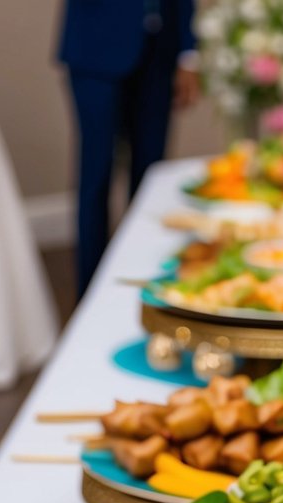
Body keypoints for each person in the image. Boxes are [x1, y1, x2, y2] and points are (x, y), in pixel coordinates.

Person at [58, 0, 200, 298]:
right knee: (96, 178)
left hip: (159, 49)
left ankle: (143, 285)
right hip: (95, 47)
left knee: (151, 177)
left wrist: (189, 52)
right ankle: (91, 293)